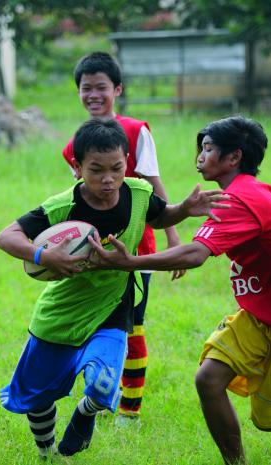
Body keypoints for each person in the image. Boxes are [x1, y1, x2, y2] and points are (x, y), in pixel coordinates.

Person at [88, 116, 271, 465]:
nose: (200, 156)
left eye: (207, 149)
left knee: (267, 419)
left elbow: (195, 254)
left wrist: (129, 262)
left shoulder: (241, 199)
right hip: (261, 313)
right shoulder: (256, 190)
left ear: (233, 157)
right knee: (208, 378)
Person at [0, 118, 227, 459]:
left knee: (104, 383)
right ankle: (47, 454)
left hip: (113, 307)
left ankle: (86, 412)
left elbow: (159, 216)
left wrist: (184, 211)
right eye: (96, 170)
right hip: (61, 313)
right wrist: (45, 255)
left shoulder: (138, 194)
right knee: (37, 396)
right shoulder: (63, 206)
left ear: (126, 162)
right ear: (77, 167)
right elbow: (7, 236)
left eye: (117, 168)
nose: (108, 179)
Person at [61, 51, 184, 423]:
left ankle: (130, 410)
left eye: (101, 87)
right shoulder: (74, 145)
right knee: (96, 323)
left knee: (132, 326)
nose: (93, 95)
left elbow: (153, 184)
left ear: (117, 89)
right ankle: (100, 394)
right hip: (92, 249)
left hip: (135, 249)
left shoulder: (135, 130)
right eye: (86, 88)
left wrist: (174, 240)